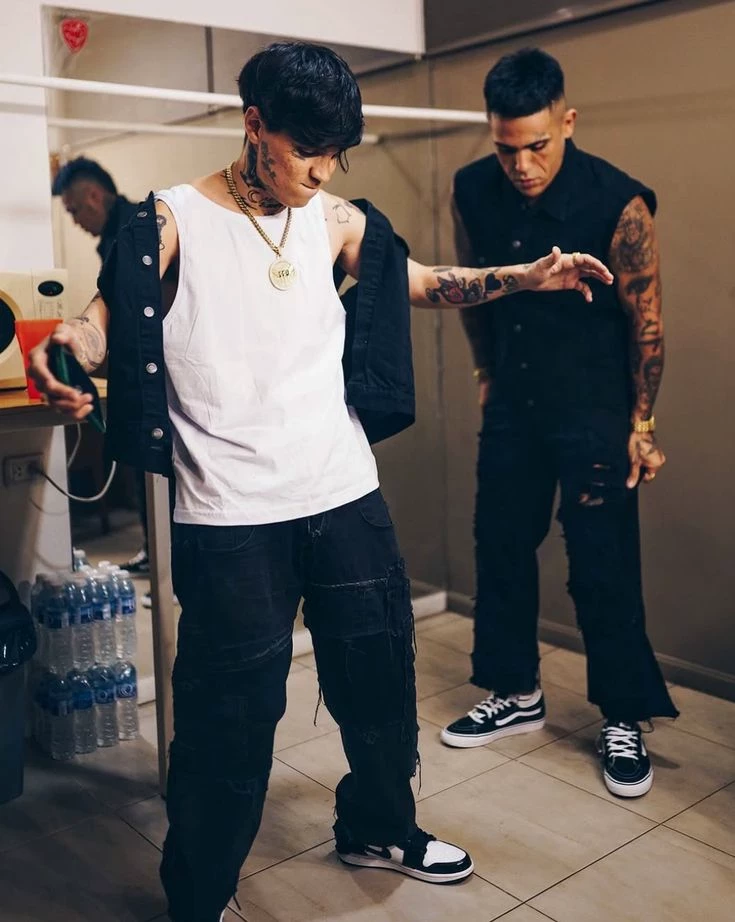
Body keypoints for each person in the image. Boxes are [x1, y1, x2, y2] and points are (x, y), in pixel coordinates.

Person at [31, 42, 612, 922]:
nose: (322, 171)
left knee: (379, 688)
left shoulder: (334, 218)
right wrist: (68, 347)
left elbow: (423, 283)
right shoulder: (171, 220)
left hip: (344, 497)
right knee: (229, 722)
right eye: (306, 150)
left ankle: (378, 827)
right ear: (253, 124)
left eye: (336, 153)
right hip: (230, 516)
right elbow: (103, 322)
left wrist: (525, 279)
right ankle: (199, 896)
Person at [442, 47, 678, 798]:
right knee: (500, 545)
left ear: (567, 122)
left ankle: (622, 716)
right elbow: (472, 287)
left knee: (602, 563)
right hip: (513, 399)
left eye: (537, 146)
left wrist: (642, 421)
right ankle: (514, 690)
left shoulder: (619, 202)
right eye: (505, 148)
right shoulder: (471, 188)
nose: (521, 165)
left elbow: (646, 324)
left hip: (594, 407)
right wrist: (484, 373)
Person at [52, 156, 151, 576]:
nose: (75, 221)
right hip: (140, 370)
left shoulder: (134, 230)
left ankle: (164, 556)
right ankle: (157, 551)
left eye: (74, 210)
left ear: (94, 195)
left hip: (157, 374)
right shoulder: (119, 233)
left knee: (153, 469)